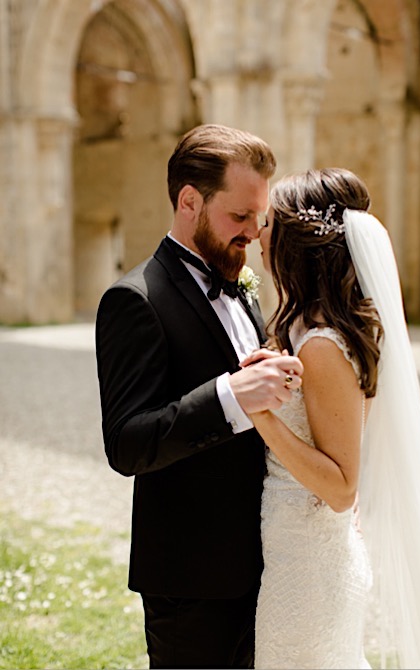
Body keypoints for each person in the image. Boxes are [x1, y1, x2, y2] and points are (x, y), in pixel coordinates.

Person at [95, 124, 304, 668]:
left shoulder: (242, 288)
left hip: (266, 562)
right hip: (191, 581)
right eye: (239, 217)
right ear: (189, 201)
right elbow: (126, 444)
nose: (255, 234)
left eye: (258, 218)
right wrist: (229, 397)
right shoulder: (133, 300)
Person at [247, 168, 420, 669]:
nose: (257, 234)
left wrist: (261, 413)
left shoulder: (322, 345)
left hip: (309, 567)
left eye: (269, 222)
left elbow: (341, 488)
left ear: (297, 243)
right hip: (299, 550)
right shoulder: (311, 332)